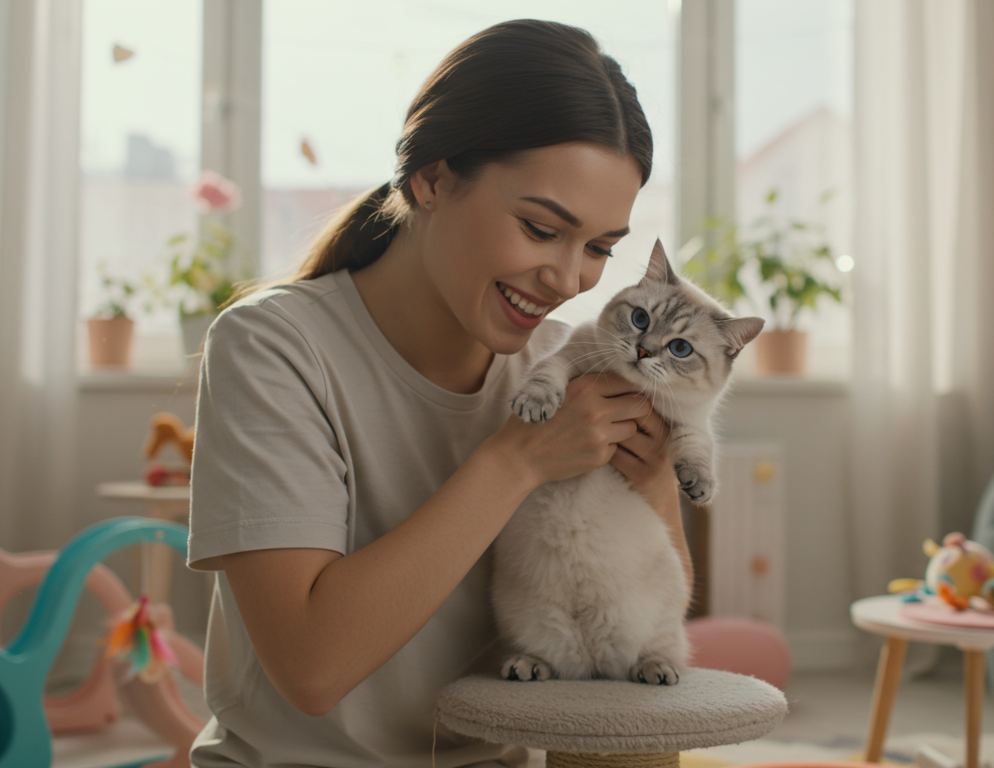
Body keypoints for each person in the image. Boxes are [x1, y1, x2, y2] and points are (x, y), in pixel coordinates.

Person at [185, 19, 692, 768]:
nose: (568, 279)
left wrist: (655, 488)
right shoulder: (273, 346)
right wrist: (516, 462)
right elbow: (311, 669)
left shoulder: (570, 369)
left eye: (599, 249)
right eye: (540, 228)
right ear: (433, 179)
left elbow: (649, 633)